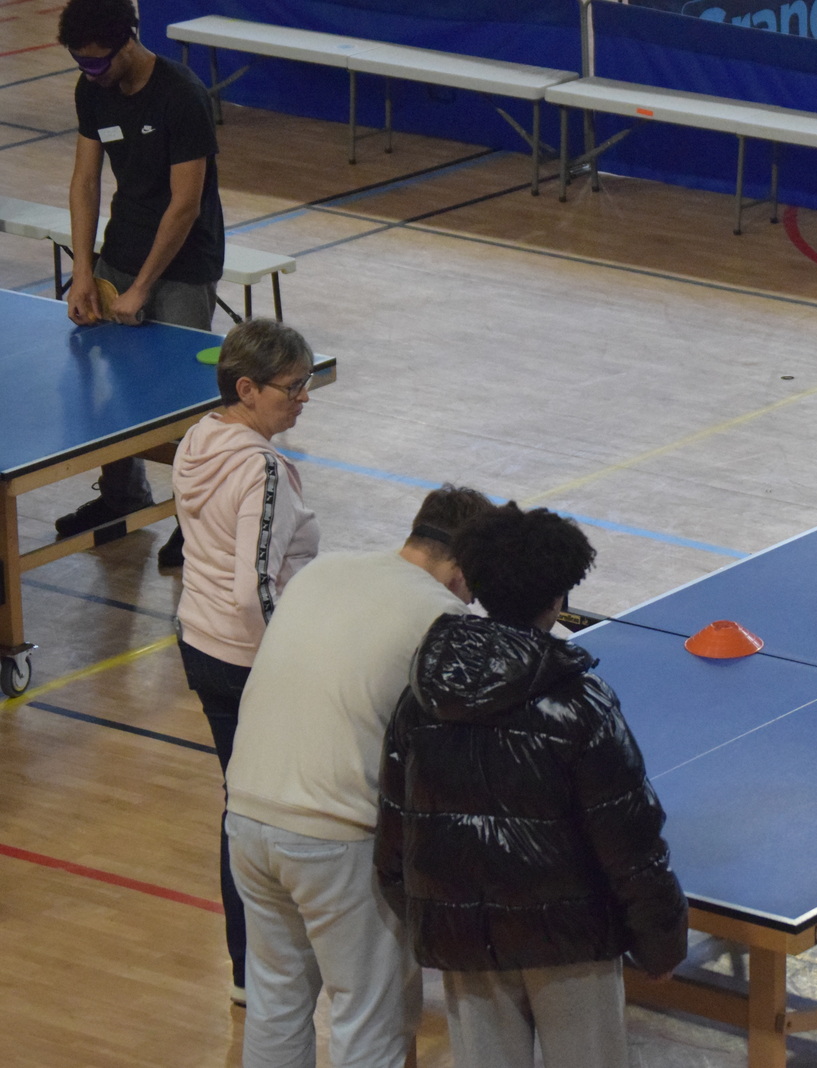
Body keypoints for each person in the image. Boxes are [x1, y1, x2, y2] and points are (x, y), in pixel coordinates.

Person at [376, 505, 688, 1068]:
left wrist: (434, 917)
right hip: (571, 942)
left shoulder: (420, 696)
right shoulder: (582, 704)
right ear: (557, 597)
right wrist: (660, 940)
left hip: (464, 938)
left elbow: (395, 831)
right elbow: (629, 837)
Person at [225, 485, 495, 1067]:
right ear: (460, 571)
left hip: (246, 815)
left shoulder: (323, 572)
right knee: (370, 1015)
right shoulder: (441, 614)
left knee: (274, 999)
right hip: (338, 834)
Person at [174, 318, 320, 1004]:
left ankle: (248, 966)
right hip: (247, 662)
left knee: (241, 805)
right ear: (247, 389)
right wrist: (288, 664)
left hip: (200, 643)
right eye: (293, 387)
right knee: (267, 815)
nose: (304, 398)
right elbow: (252, 588)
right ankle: (258, 965)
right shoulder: (261, 469)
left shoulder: (198, 438)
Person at [55, 0, 226, 568]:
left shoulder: (182, 96)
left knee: (183, 403)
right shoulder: (92, 90)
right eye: (80, 62)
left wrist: (142, 287)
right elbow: (85, 181)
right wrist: (85, 271)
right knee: (115, 390)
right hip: (120, 252)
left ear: (127, 41)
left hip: (182, 265)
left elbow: (185, 204)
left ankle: (194, 521)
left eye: (97, 61)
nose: (89, 72)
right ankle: (122, 497)